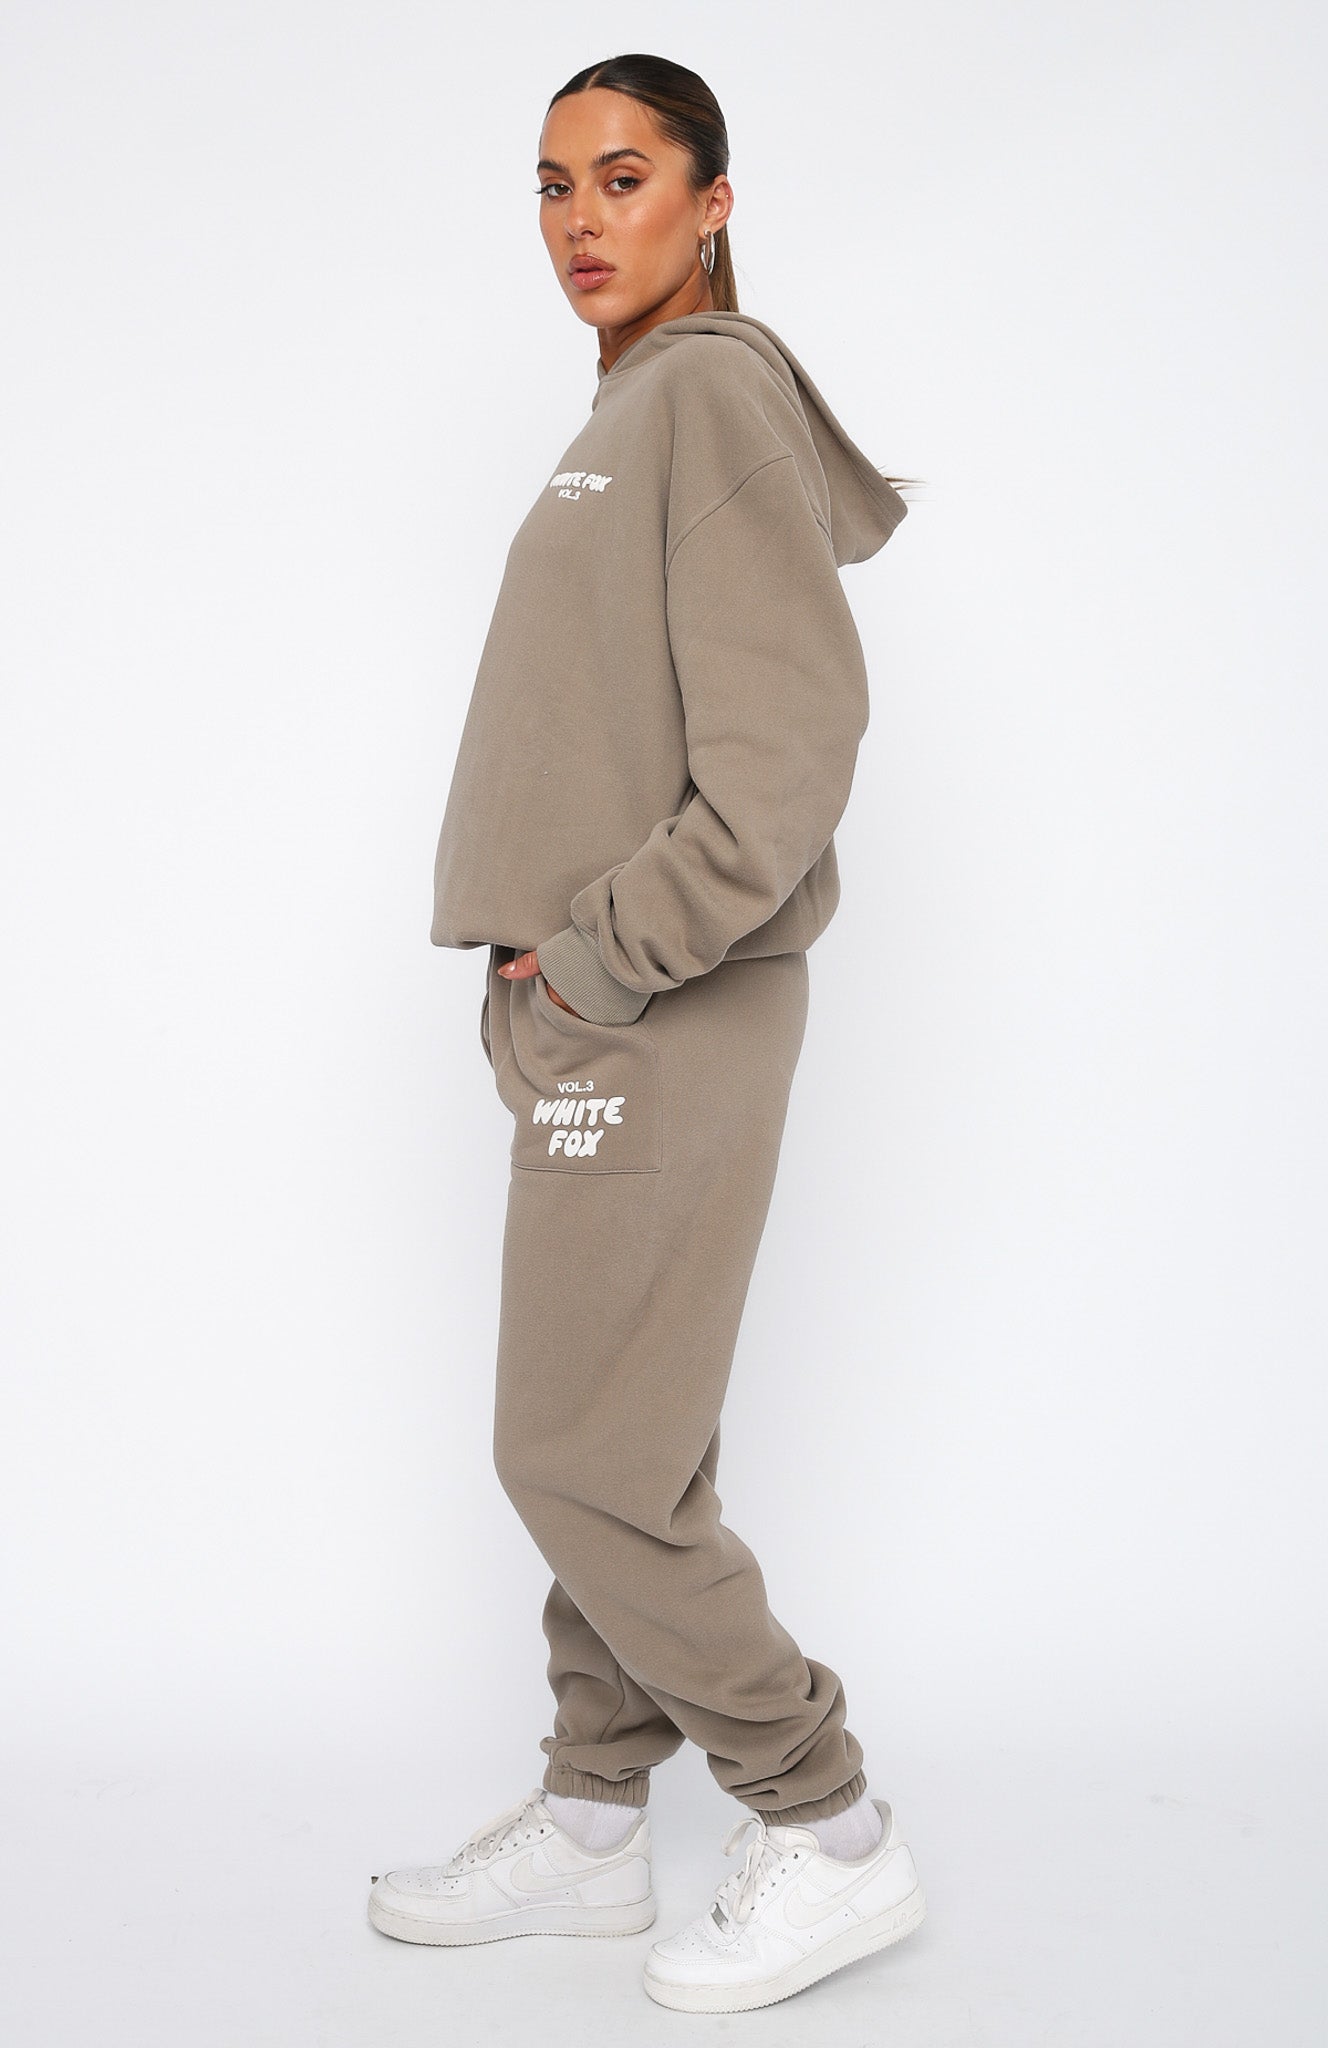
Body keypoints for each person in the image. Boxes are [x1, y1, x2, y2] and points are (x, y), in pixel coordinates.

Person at [367, 51, 926, 2015]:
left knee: (574, 1451)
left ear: (713, 201)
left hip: (663, 1005)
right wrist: (543, 980)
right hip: (597, 1007)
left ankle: (826, 1820)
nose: (580, 218)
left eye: (623, 176)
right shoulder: (628, 411)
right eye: (551, 184)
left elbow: (784, 766)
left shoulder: (707, 397)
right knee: (630, 1438)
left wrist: (596, 964)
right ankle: (597, 1821)